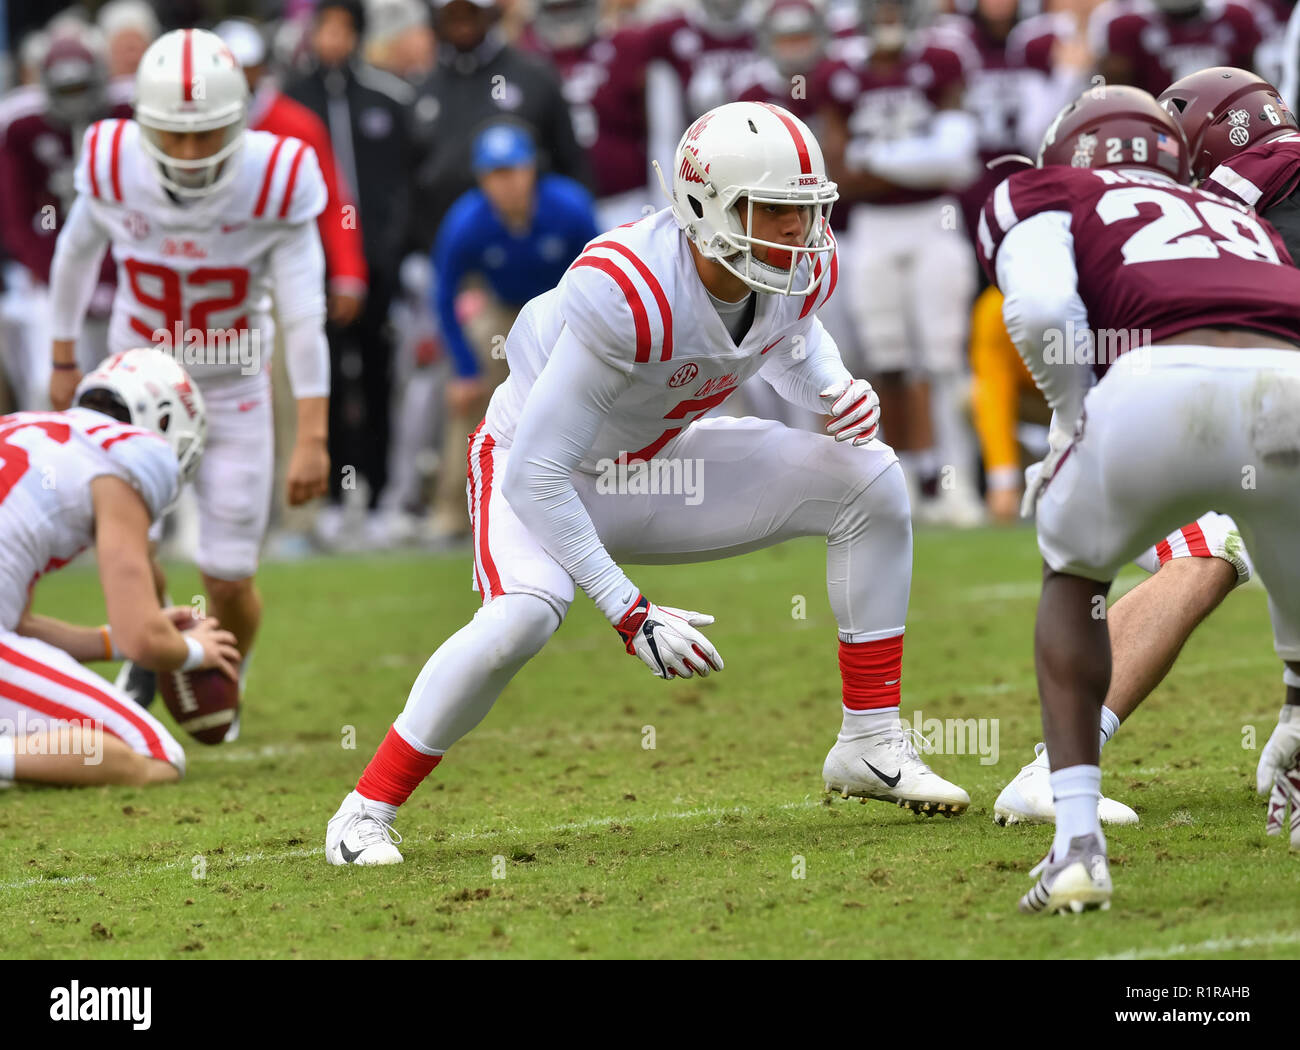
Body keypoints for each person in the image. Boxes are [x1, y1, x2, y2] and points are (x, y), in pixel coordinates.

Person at [325, 101, 970, 866]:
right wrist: (629, 612)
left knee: (871, 480)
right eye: (775, 212)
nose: (798, 234)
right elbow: (536, 475)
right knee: (524, 618)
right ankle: (363, 812)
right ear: (707, 208)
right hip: (535, 468)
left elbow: (790, 332)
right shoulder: (628, 291)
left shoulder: (792, 261)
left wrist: (836, 386)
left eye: (805, 211)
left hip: (656, 465)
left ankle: (869, 743)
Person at [978, 86, 1300, 912]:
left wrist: (1077, 413)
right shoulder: (1235, 213)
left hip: (1154, 379)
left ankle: (1076, 840)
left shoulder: (1046, 189)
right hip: (1289, 381)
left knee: (1074, 578)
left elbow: (1046, 306)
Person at [46, 28, 332, 734]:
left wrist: (315, 437)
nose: (190, 153)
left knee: (229, 576)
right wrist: (60, 357)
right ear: (144, 125)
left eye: (207, 135)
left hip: (234, 383)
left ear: (239, 121)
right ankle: (151, 650)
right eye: (174, 136)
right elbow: (74, 255)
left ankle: (223, 666)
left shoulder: (277, 174)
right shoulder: (113, 161)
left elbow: (303, 314)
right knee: (128, 546)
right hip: (136, 383)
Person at [0, 348, 240, 787]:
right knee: (157, 755)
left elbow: (17, 625)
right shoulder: (125, 455)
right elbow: (143, 639)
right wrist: (196, 651)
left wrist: (111, 642)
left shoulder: (23, 426)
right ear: (164, 422)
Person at [818, 0, 984, 526]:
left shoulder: (942, 55)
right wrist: (918, 159)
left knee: (943, 359)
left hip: (935, 219)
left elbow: (956, 159)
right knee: (884, 358)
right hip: (871, 225)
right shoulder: (840, 68)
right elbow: (840, 170)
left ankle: (959, 485)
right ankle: (904, 486)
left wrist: (877, 159)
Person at [427, 121, 599, 542]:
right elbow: (443, 293)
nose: (506, 183)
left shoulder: (570, 206)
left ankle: (592, 503)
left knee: (587, 394)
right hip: (503, 312)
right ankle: (451, 512)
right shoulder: (467, 220)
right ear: (482, 179)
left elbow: (604, 269)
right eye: (495, 174)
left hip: (565, 309)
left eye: (513, 170)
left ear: (531, 170)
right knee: (470, 398)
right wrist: (465, 369)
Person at [1088, 0, 1264, 96]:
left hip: (1229, 121)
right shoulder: (1124, 25)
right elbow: (1110, 95)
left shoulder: (1237, 18)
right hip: (1157, 128)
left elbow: (1258, 85)